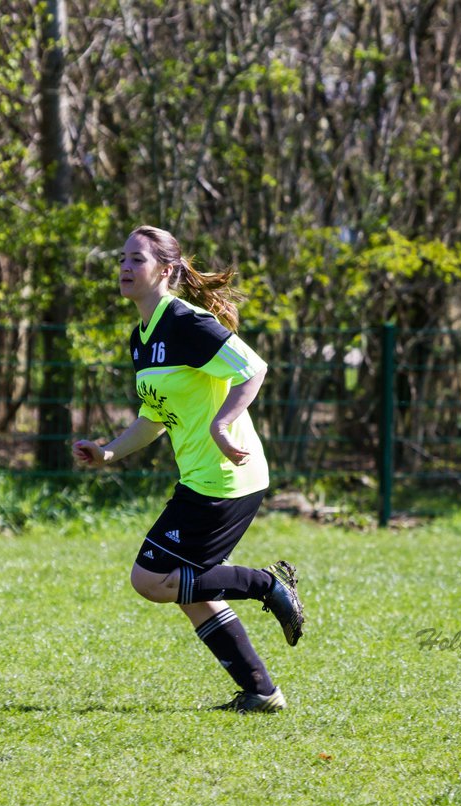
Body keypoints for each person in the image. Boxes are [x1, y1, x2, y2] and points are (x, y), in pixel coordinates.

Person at [72, 225, 304, 714]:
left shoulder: (185, 322)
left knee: (151, 579)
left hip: (226, 477)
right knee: (186, 585)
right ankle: (261, 693)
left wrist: (224, 421)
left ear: (167, 270)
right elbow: (155, 417)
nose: (126, 268)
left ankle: (266, 585)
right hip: (201, 478)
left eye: (138, 259)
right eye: (122, 259)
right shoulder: (142, 336)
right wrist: (109, 452)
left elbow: (253, 368)